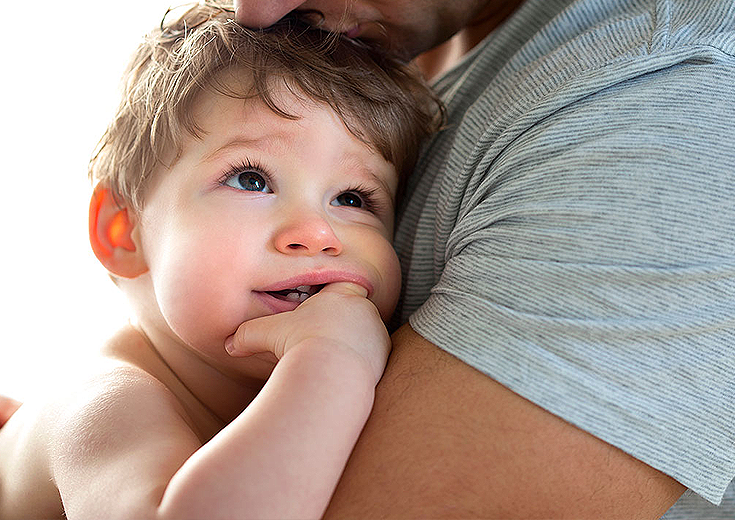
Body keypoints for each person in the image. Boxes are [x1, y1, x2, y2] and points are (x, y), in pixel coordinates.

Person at [227, 1, 735, 519]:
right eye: (249, 180)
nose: (252, 10)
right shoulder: (397, 45)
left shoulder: (693, 105)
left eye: (353, 199)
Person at [0, 2, 440, 518]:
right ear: (123, 232)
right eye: (251, 179)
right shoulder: (104, 404)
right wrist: (333, 363)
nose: (317, 233)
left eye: (354, 198)